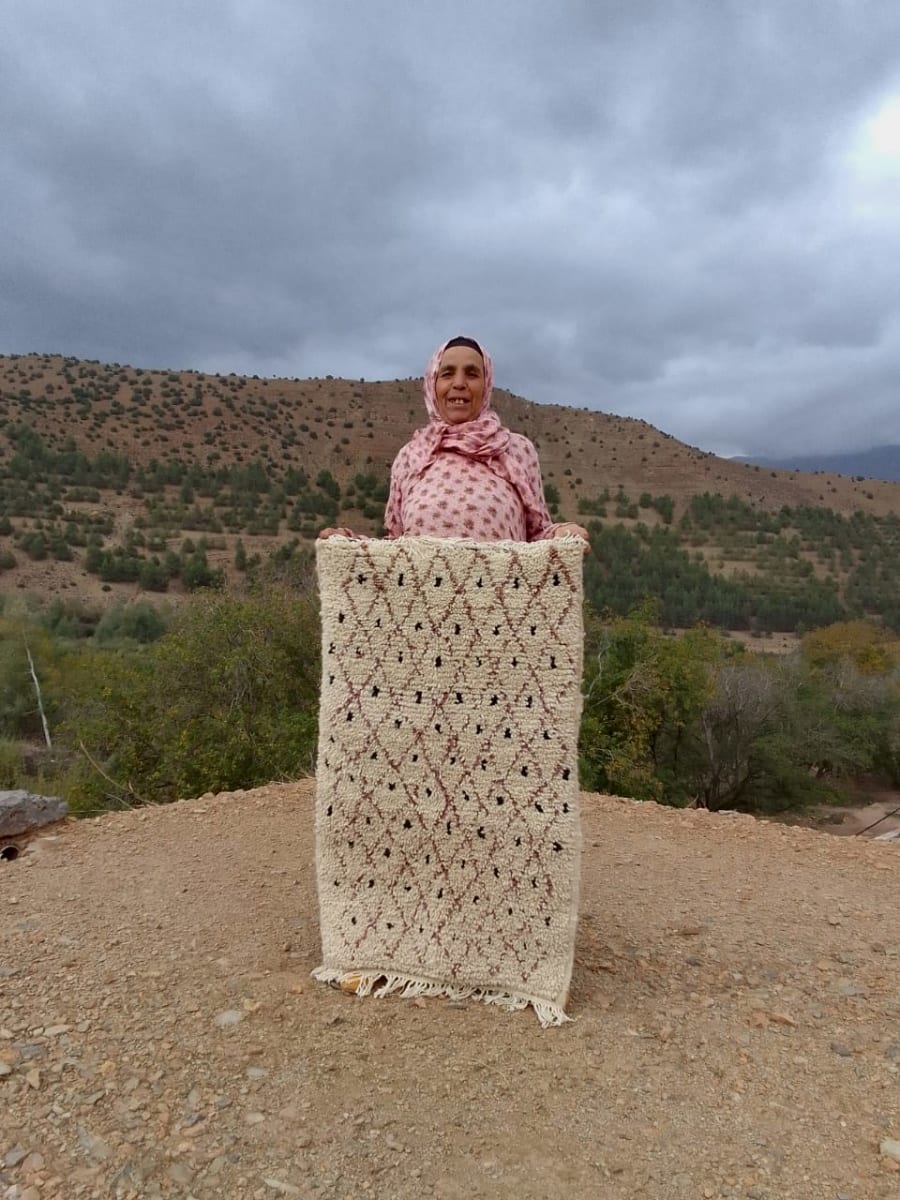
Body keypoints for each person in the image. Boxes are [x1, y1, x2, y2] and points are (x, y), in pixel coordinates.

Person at [320, 336, 589, 546]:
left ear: (486, 385)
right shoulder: (412, 456)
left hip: (499, 612)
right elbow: (396, 549)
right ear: (432, 383)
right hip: (424, 612)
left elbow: (537, 537)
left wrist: (562, 534)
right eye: (447, 373)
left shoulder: (516, 450)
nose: (459, 383)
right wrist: (348, 544)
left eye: (472, 374)